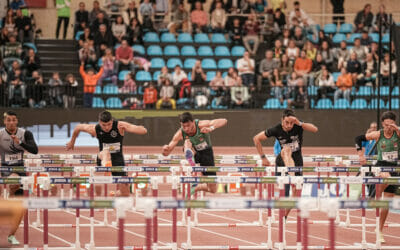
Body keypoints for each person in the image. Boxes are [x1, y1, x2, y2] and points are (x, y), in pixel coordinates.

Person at [253, 109, 318, 217]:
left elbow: (315, 129)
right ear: (282, 120)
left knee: (297, 194)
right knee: (286, 150)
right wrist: (263, 157)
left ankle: (284, 216)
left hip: (297, 160)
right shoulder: (276, 129)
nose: (289, 125)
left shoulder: (298, 125)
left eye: (291, 123)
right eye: (286, 122)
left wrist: (299, 123)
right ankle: (292, 177)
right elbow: (256, 138)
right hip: (282, 160)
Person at [66, 111, 147, 197]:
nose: (107, 127)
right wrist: (72, 142)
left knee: (125, 193)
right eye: (104, 125)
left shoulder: (119, 126)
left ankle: (114, 199)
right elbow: (78, 127)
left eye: (109, 124)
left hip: (117, 160)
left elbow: (144, 131)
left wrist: (128, 127)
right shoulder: (94, 129)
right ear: (99, 122)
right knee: (106, 152)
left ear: (112, 121)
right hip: (102, 157)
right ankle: (107, 166)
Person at [162, 112, 227, 195]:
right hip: (193, 152)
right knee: (187, 142)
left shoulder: (200, 125)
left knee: (213, 189)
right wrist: (165, 149)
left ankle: (196, 187)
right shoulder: (180, 133)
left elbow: (224, 120)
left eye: (188, 125)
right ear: (180, 124)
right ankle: (190, 158)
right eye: (183, 126)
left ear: (193, 122)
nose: (186, 129)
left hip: (207, 153)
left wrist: (211, 128)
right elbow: (166, 153)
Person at [0, 111, 38, 245]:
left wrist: (20, 142)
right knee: (14, 181)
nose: (11, 123)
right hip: (5, 168)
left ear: (17, 121)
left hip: (21, 169)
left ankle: (11, 235)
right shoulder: (0, 134)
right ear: (5, 122)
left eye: (13, 120)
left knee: (21, 206)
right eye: (8, 120)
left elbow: (35, 150)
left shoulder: (25, 133)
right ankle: (9, 198)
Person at [365, 111, 400, 243]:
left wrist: (397, 128)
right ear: (382, 124)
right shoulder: (379, 134)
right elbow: (359, 138)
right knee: (385, 178)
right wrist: (360, 153)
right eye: (386, 125)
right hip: (381, 166)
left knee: (387, 202)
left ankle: (379, 230)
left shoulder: (397, 132)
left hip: (395, 167)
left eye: (391, 124)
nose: (389, 127)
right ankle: (376, 194)